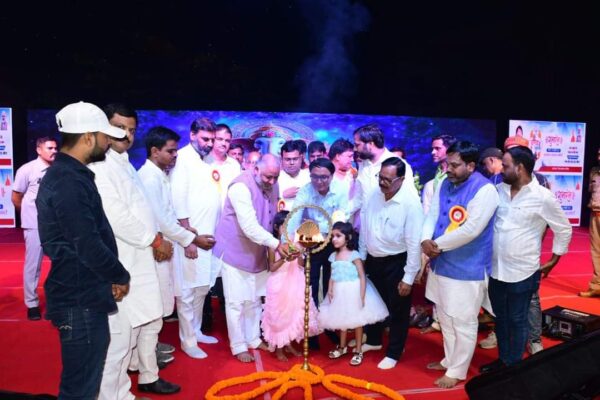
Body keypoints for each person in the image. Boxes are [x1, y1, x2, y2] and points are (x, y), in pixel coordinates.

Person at [36, 101, 131, 399]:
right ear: (88, 137)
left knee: (83, 383)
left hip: (81, 292)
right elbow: (86, 243)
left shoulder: (70, 176)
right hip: (79, 297)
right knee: (81, 389)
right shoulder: (68, 181)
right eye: (105, 136)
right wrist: (119, 275)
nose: (108, 142)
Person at [90, 104, 180, 398]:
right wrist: (154, 241)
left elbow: (142, 211)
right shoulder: (100, 166)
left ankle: (141, 380)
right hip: (122, 263)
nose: (126, 135)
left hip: (141, 259)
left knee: (147, 323)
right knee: (119, 341)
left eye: (131, 129)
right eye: (119, 128)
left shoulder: (125, 163)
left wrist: (155, 240)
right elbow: (117, 216)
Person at [480, 146, 572, 374]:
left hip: (524, 270)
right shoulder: (497, 191)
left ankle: (513, 367)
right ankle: (503, 360)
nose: (501, 169)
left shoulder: (543, 197)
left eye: (506, 165)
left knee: (517, 319)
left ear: (519, 168)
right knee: (500, 318)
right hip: (496, 269)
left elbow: (563, 229)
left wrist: (554, 260)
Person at [421, 141, 499, 389]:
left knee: (463, 321)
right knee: (445, 317)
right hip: (440, 263)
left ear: (471, 166)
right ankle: (449, 360)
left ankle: (458, 370)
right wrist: (425, 239)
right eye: (447, 164)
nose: (449, 170)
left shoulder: (485, 190)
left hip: (467, 267)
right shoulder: (444, 183)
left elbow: (471, 229)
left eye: (455, 165)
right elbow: (432, 215)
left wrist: (435, 244)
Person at [138, 126, 218, 366]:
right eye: (170, 151)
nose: (175, 155)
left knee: (195, 289)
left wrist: (188, 233)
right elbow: (162, 217)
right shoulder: (151, 176)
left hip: (178, 238)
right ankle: (182, 343)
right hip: (163, 245)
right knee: (181, 294)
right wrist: (190, 239)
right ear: (155, 151)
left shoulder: (161, 173)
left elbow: (169, 211)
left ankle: (191, 334)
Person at [213, 154, 291, 362]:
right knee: (236, 302)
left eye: (275, 177)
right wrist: (276, 244)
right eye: (267, 177)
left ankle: (253, 339)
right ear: (255, 169)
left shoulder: (273, 184)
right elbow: (249, 226)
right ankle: (238, 345)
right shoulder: (240, 187)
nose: (272, 182)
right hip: (235, 250)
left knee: (255, 299)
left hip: (259, 251)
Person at [359, 157, 424, 369]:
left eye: (388, 179)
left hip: (397, 262)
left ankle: (394, 352)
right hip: (372, 259)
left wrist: (409, 277)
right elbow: (365, 227)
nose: (382, 182)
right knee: (373, 303)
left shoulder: (410, 203)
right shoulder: (373, 195)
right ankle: (374, 340)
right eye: (380, 177)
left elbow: (414, 242)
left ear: (401, 180)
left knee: (398, 309)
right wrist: (361, 257)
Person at [170, 117, 221, 359]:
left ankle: (197, 331)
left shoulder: (206, 160)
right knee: (188, 292)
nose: (209, 144)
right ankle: (188, 341)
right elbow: (178, 201)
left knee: (202, 288)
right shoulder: (182, 159)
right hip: (191, 240)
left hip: (209, 239)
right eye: (205, 139)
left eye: (212, 139)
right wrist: (188, 239)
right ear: (192, 135)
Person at [287, 157, 350, 349]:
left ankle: (330, 325)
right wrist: (287, 241)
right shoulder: (306, 191)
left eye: (324, 177)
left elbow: (341, 216)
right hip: (311, 240)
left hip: (333, 240)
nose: (319, 181)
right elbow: (295, 216)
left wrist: (327, 234)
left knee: (331, 283)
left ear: (331, 176)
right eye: (314, 177)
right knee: (311, 283)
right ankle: (312, 328)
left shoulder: (340, 189)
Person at [319, 222, 388, 366]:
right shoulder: (333, 256)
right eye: (333, 236)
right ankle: (342, 347)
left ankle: (358, 351)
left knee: (357, 321)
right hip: (339, 291)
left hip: (353, 290)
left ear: (348, 237)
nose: (334, 239)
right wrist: (330, 289)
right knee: (342, 319)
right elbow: (332, 275)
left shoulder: (354, 255)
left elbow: (362, 276)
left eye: (338, 236)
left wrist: (362, 295)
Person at [261, 210, 319, 361]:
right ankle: (279, 348)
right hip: (279, 283)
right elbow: (272, 267)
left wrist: (299, 255)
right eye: (284, 226)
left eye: (291, 226)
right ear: (276, 227)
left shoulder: (296, 242)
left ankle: (288, 344)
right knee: (280, 316)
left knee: (292, 313)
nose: (288, 230)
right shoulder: (273, 245)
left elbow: (301, 265)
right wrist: (285, 259)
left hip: (295, 282)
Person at [12, 136, 57, 320]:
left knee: (60, 263)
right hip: (34, 226)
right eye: (49, 148)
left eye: (55, 148)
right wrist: (29, 215)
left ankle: (56, 301)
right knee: (33, 266)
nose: (54, 151)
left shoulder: (58, 169)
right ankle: (32, 304)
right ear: (39, 150)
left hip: (56, 226)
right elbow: (16, 197)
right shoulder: (27, 169)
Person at [353, 124, 417, 216]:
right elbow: (359, 197)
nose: (355, 149)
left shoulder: (399, 164)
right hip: (367, 222)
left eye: (357, 145)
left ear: (370, 144)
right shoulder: (364, 165)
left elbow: (412, 200)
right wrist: (341, 214)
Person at [205, 123, 242, 206]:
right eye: (220, 139)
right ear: (213, 139)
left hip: (228, 212)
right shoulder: (203, 161)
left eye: (227, 141)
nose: (223, 143)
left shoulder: (234, 165)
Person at [580, 148, 600, 298]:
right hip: (595, 214)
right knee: (596, 251)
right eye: (598, 154)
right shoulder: (594, 171)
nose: (599, 157)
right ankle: (597, 286)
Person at [278, 140, 310, 211]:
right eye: (288, 159)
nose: (292, 163)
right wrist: (282, 195)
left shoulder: (309, 177)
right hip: (282, 217)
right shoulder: (275, 179)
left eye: (295, 159)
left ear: (301, 158)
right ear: (281, 159)